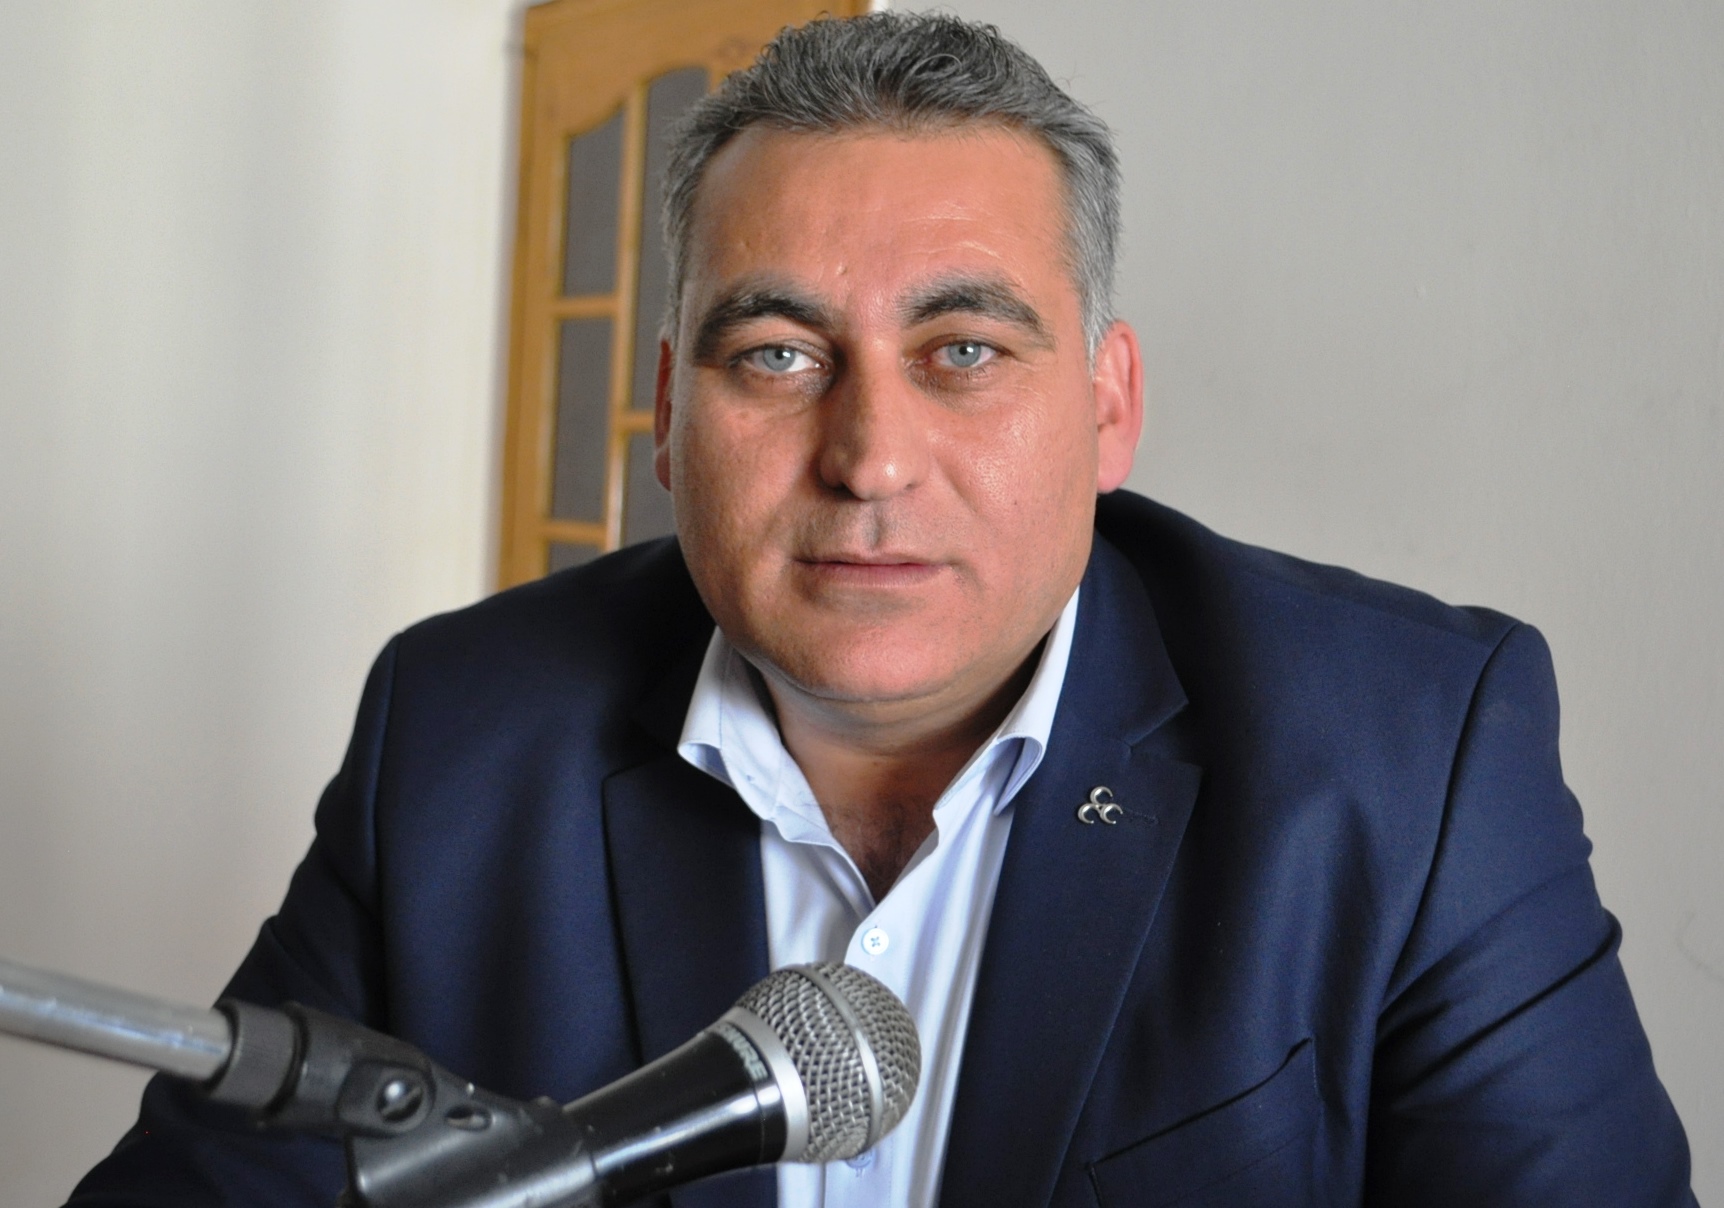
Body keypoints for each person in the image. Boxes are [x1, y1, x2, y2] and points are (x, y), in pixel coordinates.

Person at [70, 12, 1693, 1207]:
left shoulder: (1410, 759)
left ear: (1109, 407)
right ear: (667, 412)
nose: (868, 458)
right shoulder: (459, 736)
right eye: (778, 355)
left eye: (963, 353)